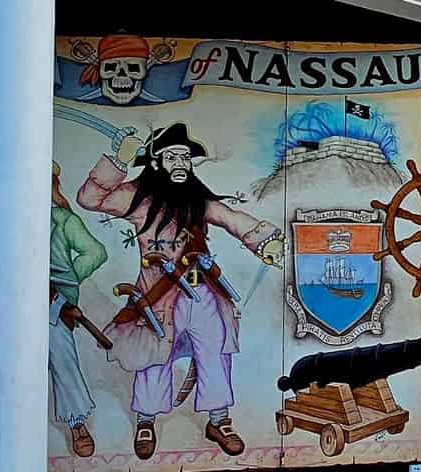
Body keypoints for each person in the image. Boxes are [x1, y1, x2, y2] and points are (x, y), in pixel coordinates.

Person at [77, 122, 283, 460]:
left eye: (184, 157)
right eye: (171, 156)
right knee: (154, 356)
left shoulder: (196, 199)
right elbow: (89, 198)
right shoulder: (136, 197)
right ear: (156, 162)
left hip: (203, 296)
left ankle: (219, 421)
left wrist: (268, 243)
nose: (179, 163)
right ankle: (146, 421)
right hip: (158, 296)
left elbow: (231, 218)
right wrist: (118, 160)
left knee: (214, 354)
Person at [50, 161, 108, 457]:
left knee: (63, 360)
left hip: (54, 305)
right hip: (13, 303)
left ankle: (77, 423)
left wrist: (66, 279)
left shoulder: (63, 220)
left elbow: (96, 253)